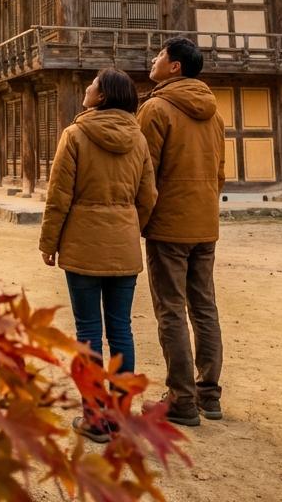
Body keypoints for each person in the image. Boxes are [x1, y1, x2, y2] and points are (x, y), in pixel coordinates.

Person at [39, 68, 157, 443]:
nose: (86, 88)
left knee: (88, 332)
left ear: (102, 96)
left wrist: (49, 242)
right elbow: (148, 196)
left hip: (82, 245)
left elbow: (59, 195)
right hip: (123, 245)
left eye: (91, 85)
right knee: (121, 329)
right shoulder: (138, 139)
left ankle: (95, 417)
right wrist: (129, 226)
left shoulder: (75, 135)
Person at [137, 36, 226, 427]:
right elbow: (220, 173)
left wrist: (140, 219)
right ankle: (209, 394)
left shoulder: (155, 108)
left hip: (169, 224)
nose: (153, 59)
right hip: (204, 222)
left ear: (174, 67)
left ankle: (181, 398)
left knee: (170, 309)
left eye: (159, 55)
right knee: (204, 306)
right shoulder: (215, 113)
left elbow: (144, 175)